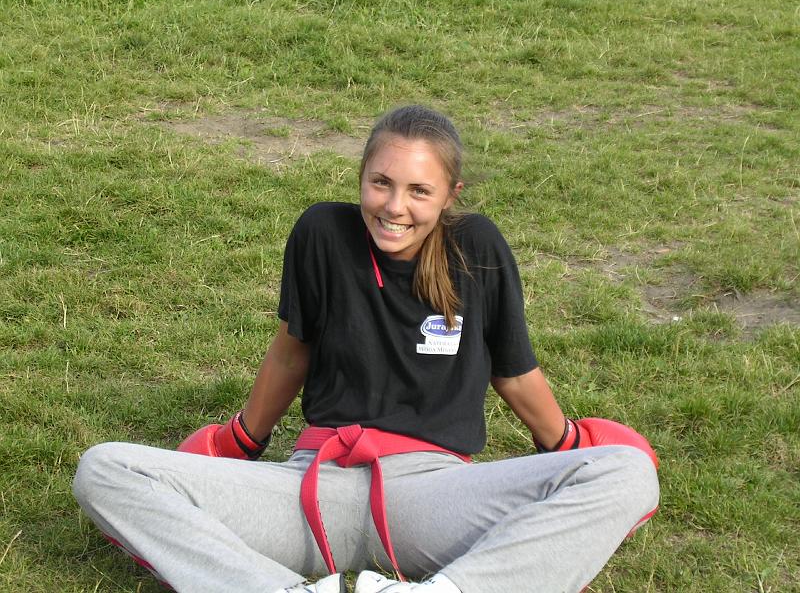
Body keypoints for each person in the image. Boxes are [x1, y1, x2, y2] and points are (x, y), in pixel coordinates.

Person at [73, 105, 659, 593]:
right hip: (311, 490)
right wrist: (241, 439)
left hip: (432, 496)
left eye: (419, 191)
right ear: (361, 177)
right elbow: (291, 352)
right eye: (381, 183)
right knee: (105, 469)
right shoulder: (323, 233)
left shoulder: (476, 246)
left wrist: (566, 444)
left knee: (627, 473)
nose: (395, 206)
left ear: (449, 194)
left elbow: (514, 371)